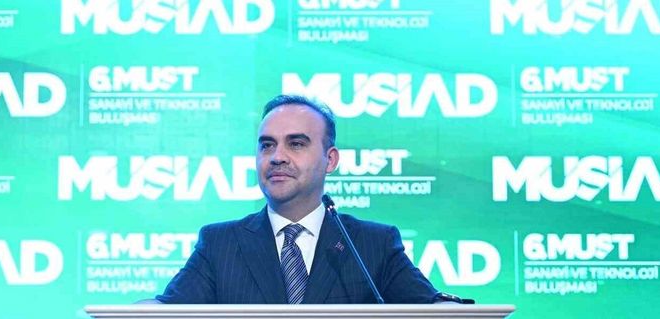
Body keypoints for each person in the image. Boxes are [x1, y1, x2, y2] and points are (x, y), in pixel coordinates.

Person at [155, 94, 460, 304]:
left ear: (331, 160)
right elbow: (162, 318)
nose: (277, 157)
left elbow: (437, 315)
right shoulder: (220, 244)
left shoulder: (373, 245)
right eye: (267, 145)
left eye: (296, 144)